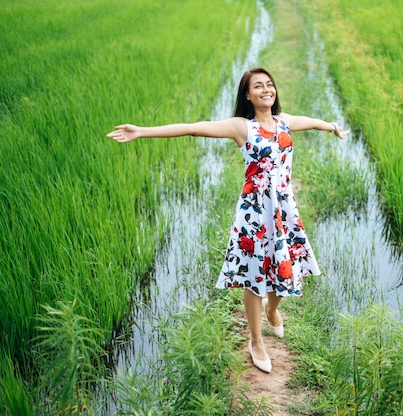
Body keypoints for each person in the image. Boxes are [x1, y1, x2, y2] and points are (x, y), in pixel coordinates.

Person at [107, 67, 349, 373]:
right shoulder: (241, 127)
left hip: (284, 208)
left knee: (283, 263)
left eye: (269, 84)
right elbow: (193, 128)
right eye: (258, 86)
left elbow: (312, 123)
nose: (266, 89)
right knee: (254, 276)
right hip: (255, 211)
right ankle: (256, 340)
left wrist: (332, 126)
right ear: (247, 95)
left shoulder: (283, 121)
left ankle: (273, 310)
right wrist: (142, 131)